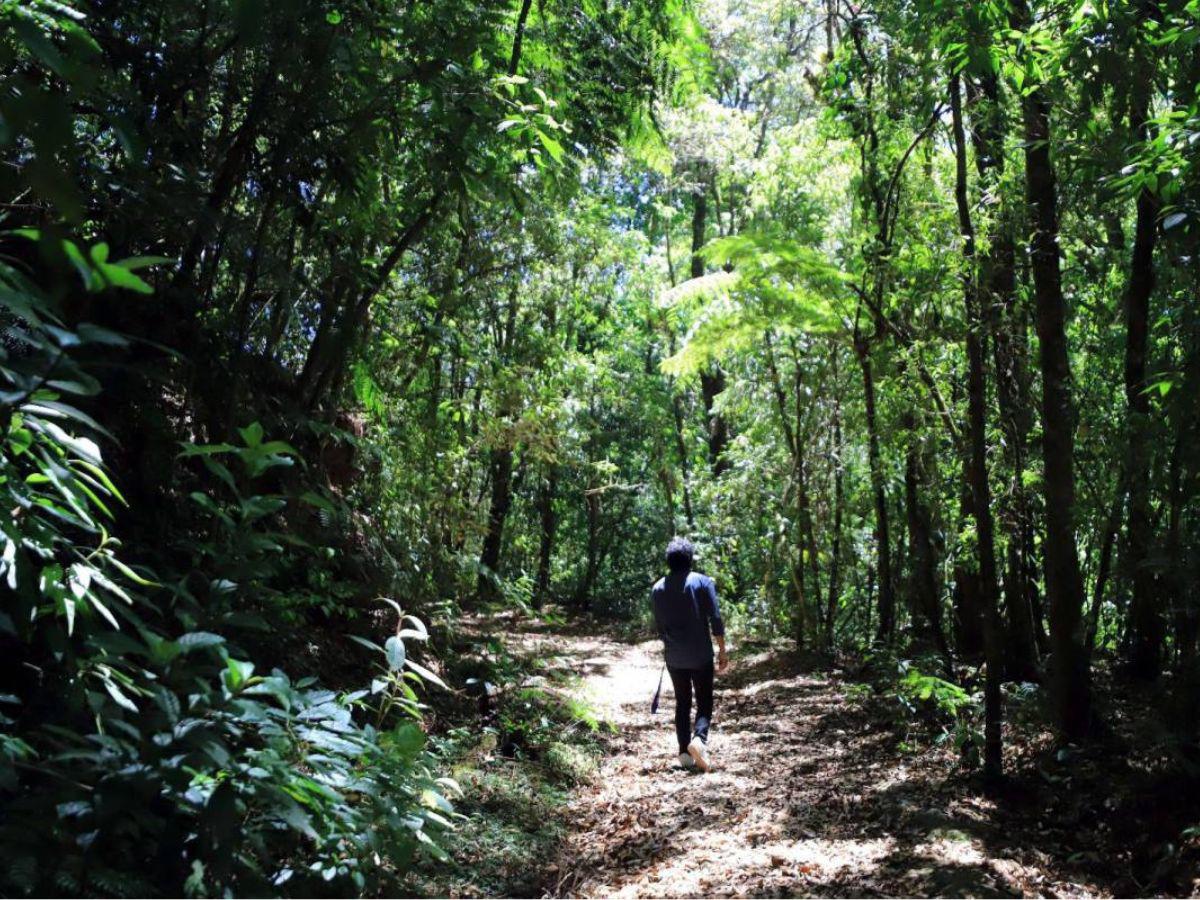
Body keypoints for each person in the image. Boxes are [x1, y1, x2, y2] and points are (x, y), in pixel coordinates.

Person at [651, 536, 727, 772]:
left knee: (682, 702)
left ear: (669, 561)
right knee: (704, 701)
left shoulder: (657, 588)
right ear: (690, 559)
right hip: (701, 654)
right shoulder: (702, 582)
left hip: (674, 657)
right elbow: (715, 618)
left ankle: (684, 753)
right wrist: (722, 650)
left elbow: (660, 627)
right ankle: (699, 740)